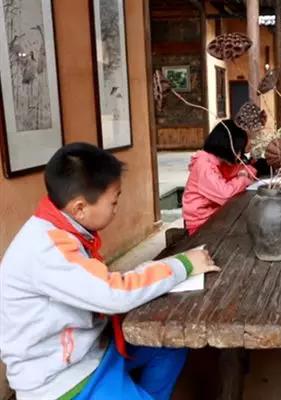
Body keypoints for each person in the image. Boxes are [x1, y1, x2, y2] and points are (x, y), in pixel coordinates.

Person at [0, 143, 219, 400]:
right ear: (80, 208)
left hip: (92, 349)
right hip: (62, 379)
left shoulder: (63, 228)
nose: (116, 208)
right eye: (113, 201)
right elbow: (113, 293)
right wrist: (184, 264)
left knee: (170, 346)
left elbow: (102, 284)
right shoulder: (47, 247)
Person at [183, 119, 256, 235]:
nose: (239, 154)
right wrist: (243, 179)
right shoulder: (204, 165)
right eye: (238, 149)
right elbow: (225, 195)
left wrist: (244, 173)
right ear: (229, 146)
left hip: (215, 216)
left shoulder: (218, 161)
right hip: (201, 224)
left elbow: (245, 169)